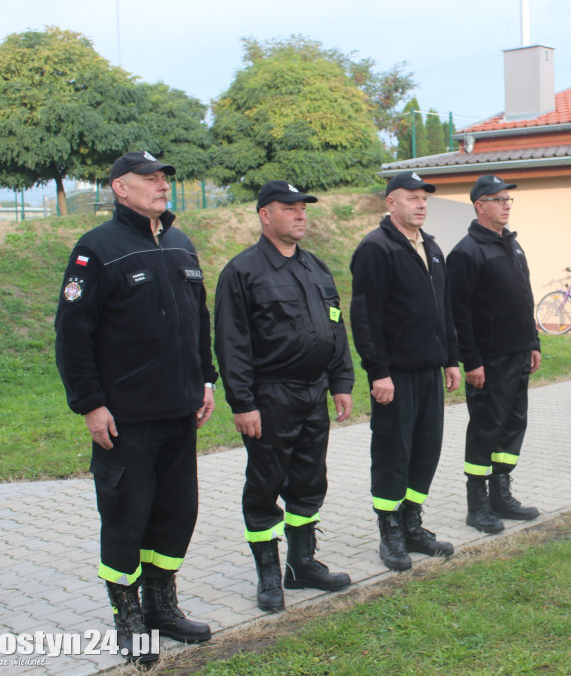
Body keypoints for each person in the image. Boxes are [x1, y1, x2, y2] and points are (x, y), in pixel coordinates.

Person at [54, 151, 217, 664]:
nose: (161, 185)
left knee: (176, 513)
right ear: (120, 189)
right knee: (127, 515)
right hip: (125, 416)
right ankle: (128, 618)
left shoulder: (179, 243)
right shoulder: (95, 250)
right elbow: (72, 334)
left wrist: (206, 379)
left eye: (164, 178)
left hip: (180, 409)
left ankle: (161, 606)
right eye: (149, 179)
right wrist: (90, 404)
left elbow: (199, 320)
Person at [214, 181, 356, 613]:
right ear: (265, 215)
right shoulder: (243, 271)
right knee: (265, 484)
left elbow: (336, 327)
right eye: (289, 208)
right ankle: (269, 575)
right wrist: (242, 402)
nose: (299, 214)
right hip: (270, 395)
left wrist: (342, 382)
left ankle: (302, 563)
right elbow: (231, 343)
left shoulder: (315, 268)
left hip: (313, 391)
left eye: (302, 208)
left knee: (310, 480)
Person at [349, 171, 461, 571]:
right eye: (411, 198)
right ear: (390, 203)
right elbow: (364, 316)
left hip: (430, 369)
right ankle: (390, 531)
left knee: (426, 449)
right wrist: (378, 371)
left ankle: (413, 523)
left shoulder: (431, 247)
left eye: (424, 198)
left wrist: (451, 358)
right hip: (394, 374)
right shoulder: (376, 248)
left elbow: (444, 307)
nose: (421, 204)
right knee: (393, 451)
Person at [448, 175, 541, 533]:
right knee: (486, 430)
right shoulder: (467, 252)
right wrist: (471, 361)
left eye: (508, 200)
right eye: (498, 199)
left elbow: (525, 298)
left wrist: (533, 343)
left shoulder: (512, 246)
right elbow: (460, 314)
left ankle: (502, 494)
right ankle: (478, 505)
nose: (506, 204)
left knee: (513, 425)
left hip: (518, 354)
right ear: (480, 205)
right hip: (489, 361)